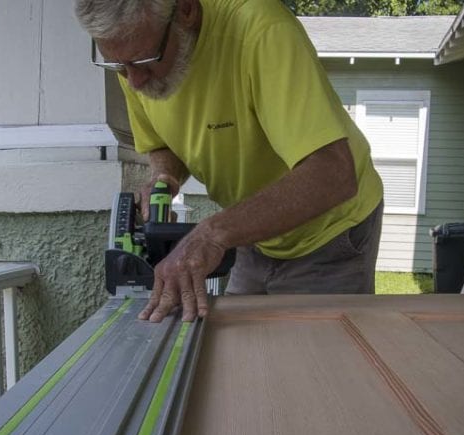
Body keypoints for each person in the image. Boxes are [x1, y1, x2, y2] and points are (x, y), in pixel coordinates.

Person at [75, 0, 384, 322]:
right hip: (250, 232)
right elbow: (161, 142)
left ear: (186, 11)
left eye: (144, 61)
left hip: (330, 232)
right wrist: (165, 176)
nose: (134, 81)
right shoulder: (136, 56)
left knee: (311, 362)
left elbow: (332, 175)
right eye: (118, 66)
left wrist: (211, 234)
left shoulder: (262, 31)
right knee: (237, 348)